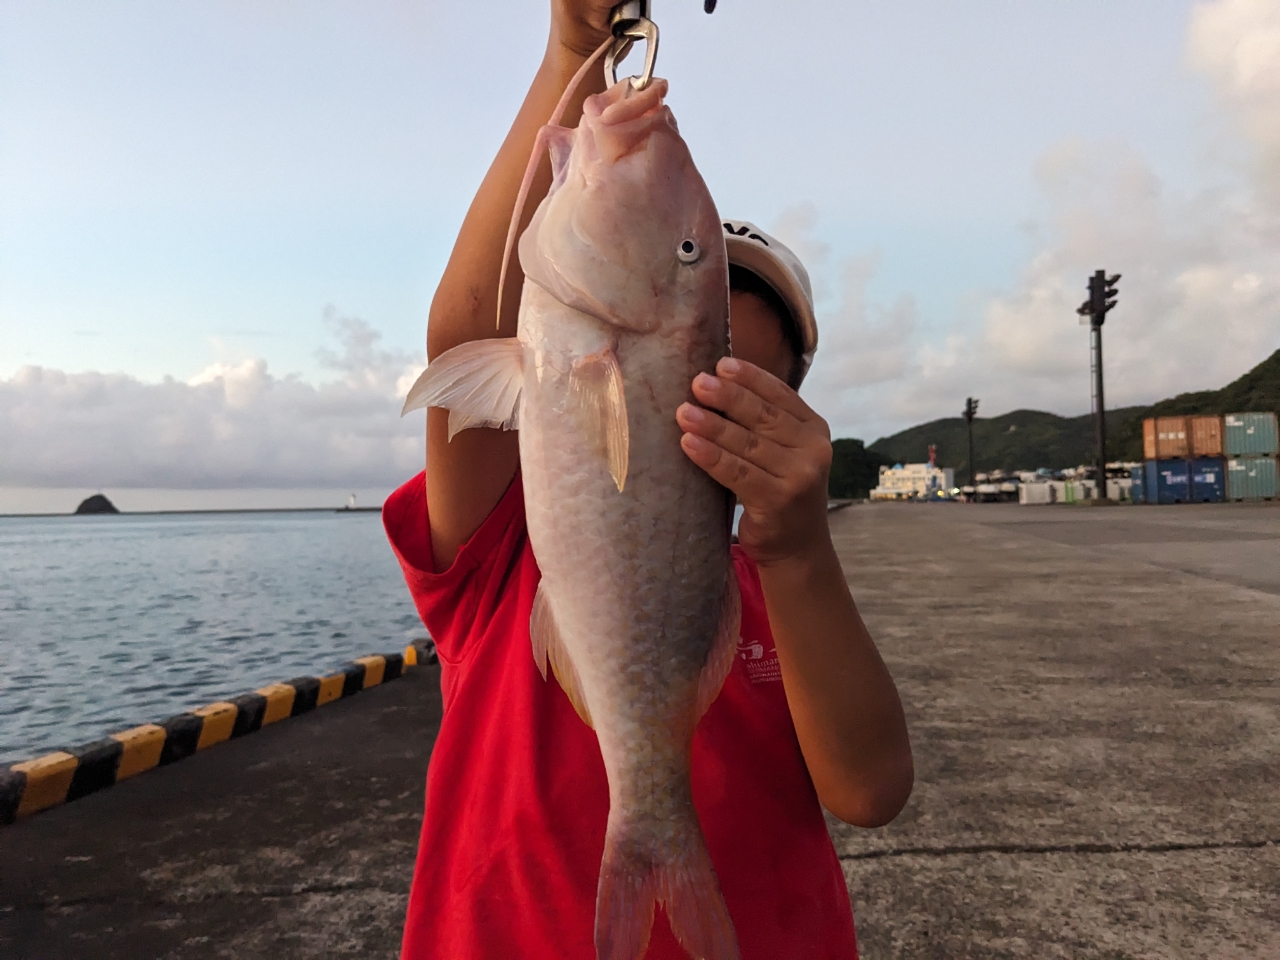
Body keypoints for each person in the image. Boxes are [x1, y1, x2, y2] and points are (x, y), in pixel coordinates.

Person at [382, 3, 913, 957]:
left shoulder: (774, 589)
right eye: (693, 352)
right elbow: (466, 336)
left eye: (743, 393)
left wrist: (796, 550)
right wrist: (578, 52)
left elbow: (871, 790)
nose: (697, 391)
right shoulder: (509, 552)